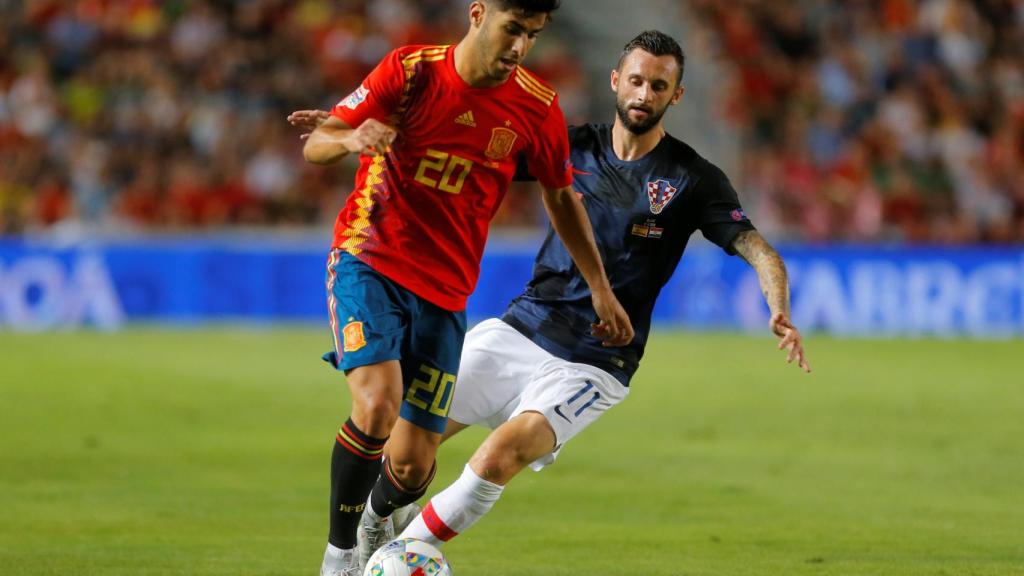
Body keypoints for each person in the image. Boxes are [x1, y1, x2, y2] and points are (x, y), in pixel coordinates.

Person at [387, 29, 812, 549]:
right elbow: (475, 157)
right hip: (523, 326)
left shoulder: (694, 179)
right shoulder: (570, 145)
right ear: (616, 81)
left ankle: (397, 555)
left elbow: (759, 249)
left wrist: (780, 308)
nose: (643, 95)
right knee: (406, 444)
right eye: (636, 81)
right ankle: (372, 539)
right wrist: (394, 133)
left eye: (659, 87)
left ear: (675, 95)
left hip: (597, 360)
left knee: (501, 455)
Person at [297, 1, 633, 575]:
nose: (520, 46)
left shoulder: (536, 106)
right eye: (512, 29)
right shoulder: (410, 71)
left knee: (409, 466)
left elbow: (560, 197)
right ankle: (340, 556)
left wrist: (600, 287)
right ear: (478, 14)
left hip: (446, 295)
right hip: (370, 260)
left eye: (532, 35)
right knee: (377, 406)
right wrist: (351, 141)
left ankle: (379, 520)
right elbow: (318, 141)